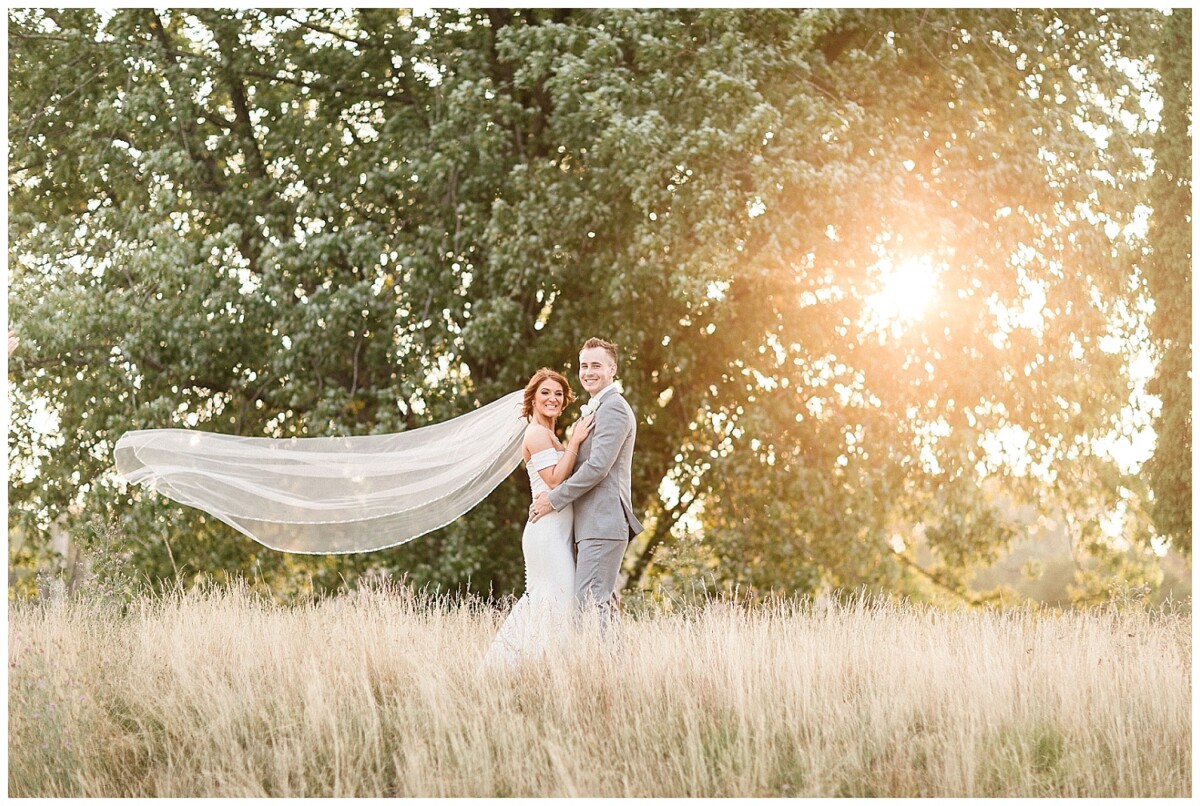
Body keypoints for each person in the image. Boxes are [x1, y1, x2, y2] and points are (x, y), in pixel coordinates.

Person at [529, 337, 643, 635]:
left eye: (596, 365)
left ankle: (605, 673)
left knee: (590, 605)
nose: (588, 371)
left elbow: (597, 468)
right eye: (583, 365)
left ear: (612, 369)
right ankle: (614, 671)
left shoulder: (614, 408)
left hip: (604, 521)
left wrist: (553, 500)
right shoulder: (597, 408)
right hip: (590, 523)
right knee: (596, 604)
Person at [482, 368, 594, 668]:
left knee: (553, 603)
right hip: (545, 534)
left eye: (558, 393)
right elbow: (556, 481)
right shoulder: (535, 433)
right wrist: (576, 440)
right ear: (532, 398)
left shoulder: (549, 435)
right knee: (555, 601)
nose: (553, 398)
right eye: (545, 392)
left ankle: (534, 668)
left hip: (557, 532)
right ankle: (521, 667)